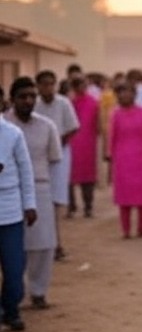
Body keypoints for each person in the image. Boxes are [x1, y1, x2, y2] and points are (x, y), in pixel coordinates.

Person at [5, 77, 62, 309]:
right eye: (23, 97)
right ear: (12, 99)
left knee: (44, 244)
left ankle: (38, 292)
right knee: (13, 246)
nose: (28, 101)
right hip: (8, 192)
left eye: (32, 96)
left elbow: (55, 161)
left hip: (40, 188)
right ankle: (12, 295)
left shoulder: (47, 126)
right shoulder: (4, 126)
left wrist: (56, 196)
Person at [0, 80, 37, 331]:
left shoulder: (13, 134)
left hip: (10, 210)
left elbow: (26, 170)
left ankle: (11, 309)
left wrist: (30, 204)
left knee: (14, 268)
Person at [107, 83, 142, 238]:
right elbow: (112, 137)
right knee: (124, 196)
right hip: (122, 159)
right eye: (121, 93)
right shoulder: (116, 115)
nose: (124, 96)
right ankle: (125, 230)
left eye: (128, 92)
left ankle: (141, 229)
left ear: (134, 94)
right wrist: (111, 156)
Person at [34, 70, 79, 260]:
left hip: (60, 155)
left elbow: (73, 127)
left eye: (51, 84)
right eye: (44, 84)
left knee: (55, 201)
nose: (48, 88)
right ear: (38, 86)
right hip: (38, 156)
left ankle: (55, 243)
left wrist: (57, 144)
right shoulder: (34, 104)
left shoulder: (63, 103)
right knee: (39, 200)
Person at [68, 77, 99, 218]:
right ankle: (72, 206)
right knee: (69, 177)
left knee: (87, 178)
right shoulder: (69, 103)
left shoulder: (93, 102)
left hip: (87, 144)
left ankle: (88, 206)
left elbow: (97, 123)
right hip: (72, 143)